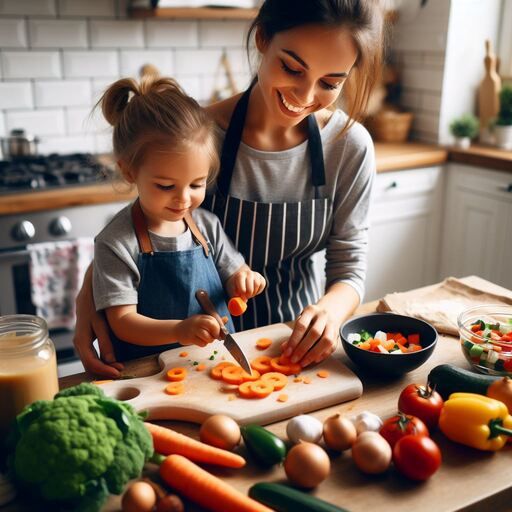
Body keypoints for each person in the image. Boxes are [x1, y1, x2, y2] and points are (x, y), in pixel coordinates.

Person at [74, 0, 384, 377]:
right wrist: (89, 295)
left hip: (291, 346)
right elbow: (145, 222)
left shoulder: (349, 147)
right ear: (262, 38)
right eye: (291, 67)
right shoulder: (200, 137)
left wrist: (329, 314)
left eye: (330, 83)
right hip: (189, 355)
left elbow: (349, 266)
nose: (304, 96)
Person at [91, 75, 265, 362]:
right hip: (150, 375)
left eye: (197, 184)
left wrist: (244, 280)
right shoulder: (116, 243)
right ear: (129, 171)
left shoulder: (206, 225)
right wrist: (180, 330)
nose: (184, 199)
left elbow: (234, 272)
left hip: (215, 364)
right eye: (166, 186)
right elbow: (122, 322)